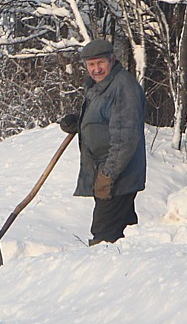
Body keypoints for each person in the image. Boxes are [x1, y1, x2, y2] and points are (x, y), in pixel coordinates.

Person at [60, 38, 146, 245]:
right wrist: (79, 123)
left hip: (117, 174)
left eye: (101, 63)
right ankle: (130, 271)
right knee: (122, 233)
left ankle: (101, 273)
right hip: (107, 171)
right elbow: (104, 119)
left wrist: (108, 175)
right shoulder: (100, 86)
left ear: (112, 60)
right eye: (91, 64)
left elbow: (125, 135)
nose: (96, 69)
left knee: (104, 234)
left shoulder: (123, 86)